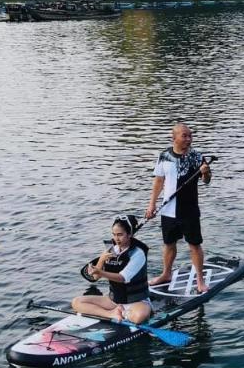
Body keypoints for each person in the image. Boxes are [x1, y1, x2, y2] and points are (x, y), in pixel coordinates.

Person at [145, 123, 212, 293]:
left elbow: (206, 181)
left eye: (190, 136)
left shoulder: (197, 156)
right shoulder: (164, 156)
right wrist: (152, 204)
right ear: (173, 137)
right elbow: (159, 181)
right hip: (168, 210)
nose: (188, 139)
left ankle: (200, 280)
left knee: (194, 245)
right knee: (168, 244)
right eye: (184, 136)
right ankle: (166, 274)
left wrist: (205, 172)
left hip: (189, 209)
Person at [72, 214, 153, 322]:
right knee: (76, 302)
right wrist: (101, 260)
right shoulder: (111, 249)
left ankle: (123, 312)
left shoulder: (138, 253)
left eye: (120, 235)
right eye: (114, 234)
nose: (116, 238)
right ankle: (112, 313)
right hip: (114, 300)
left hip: (136, 301)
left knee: (140, 317)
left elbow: (122, 278)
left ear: (129, 234)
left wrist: (101, 272)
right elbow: (95, 277)